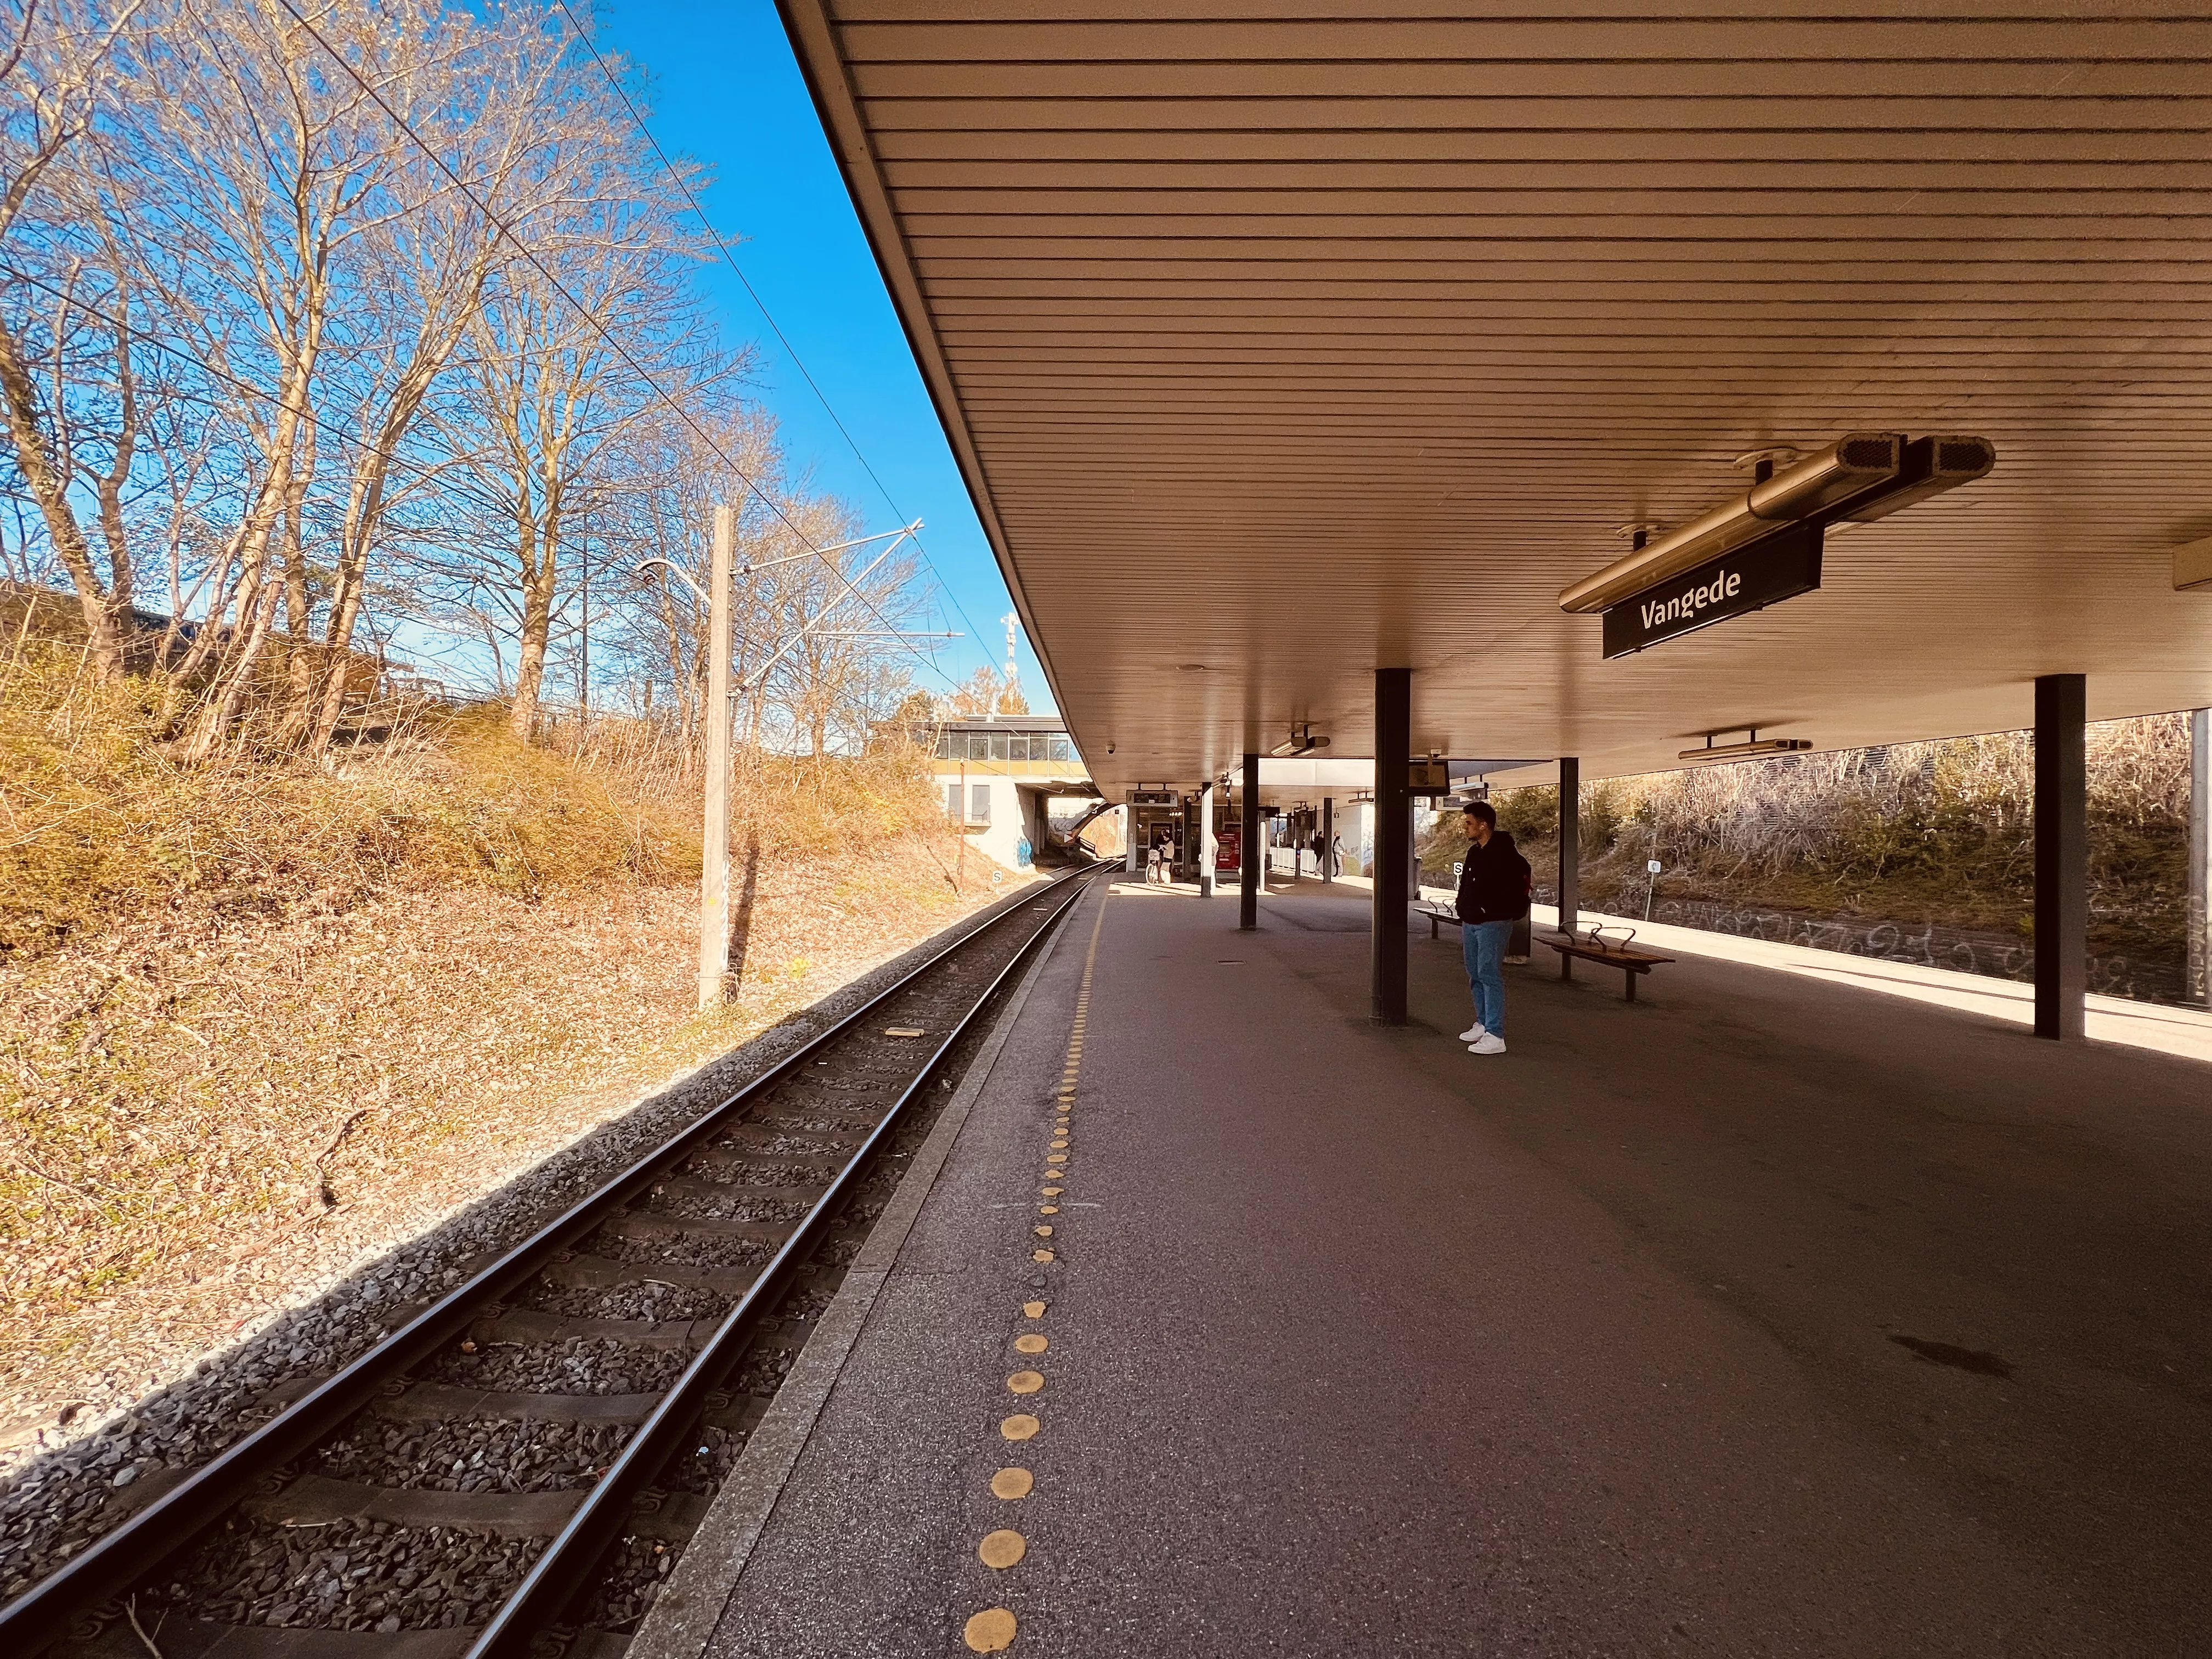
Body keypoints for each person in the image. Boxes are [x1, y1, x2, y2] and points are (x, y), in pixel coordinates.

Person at [1454, 800, 1531, 1056]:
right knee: (1475, 973)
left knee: (1489, 974)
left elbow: (1508, 892)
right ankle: (1484, 1023)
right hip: (1471, 921)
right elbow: (1466, 884)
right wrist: (1462, 907)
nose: (1465, 828)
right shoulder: (1474, 852)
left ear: (1484, 825)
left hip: (1493, 924)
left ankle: (1496, 1034)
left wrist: (1486, 910)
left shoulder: (1507, 856)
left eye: (1469, 823)